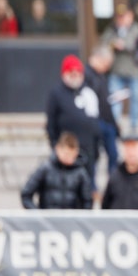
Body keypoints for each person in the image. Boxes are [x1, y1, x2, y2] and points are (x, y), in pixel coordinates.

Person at [45, 54, 102, 191]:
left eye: (78, 73)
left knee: (87, 186)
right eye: (72, 73)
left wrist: (97, 145)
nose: (75, 76)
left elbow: (95, 122)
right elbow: (51, 123)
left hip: (88, 149)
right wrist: (55, 145)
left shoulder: (88, 93)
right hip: (67, 150)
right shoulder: (56, 94)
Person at [20, 131, 93, 209]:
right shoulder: (45, 169)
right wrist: (37, 213)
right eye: (66, 154)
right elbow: (26, 194)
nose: (69, 158)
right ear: (58, 149)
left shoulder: (80, 173)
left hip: (71, 215)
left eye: (72, 155)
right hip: (48, 214)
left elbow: (87, 201)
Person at [100, 5, 138, 133]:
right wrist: (113, 43)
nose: (121, 19)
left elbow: (136, 45)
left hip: (134, 70)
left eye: (124, 16)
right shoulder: (112, 29)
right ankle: (114, 125)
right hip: (117, 70)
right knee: (115, 98)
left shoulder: (137, 28)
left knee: (136, 98)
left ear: (131, 16)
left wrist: (123, 44)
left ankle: (134, 126)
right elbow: (103, 43)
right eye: (119, 17)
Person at [84, 46, 120, 173]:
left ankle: (113, 181)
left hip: (106, 120)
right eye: (106, 63)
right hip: (94, 121)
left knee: (113, 154)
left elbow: (105, 98)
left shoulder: (101, 76)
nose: (107, 67)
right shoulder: (86, 74)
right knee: (93, 156)